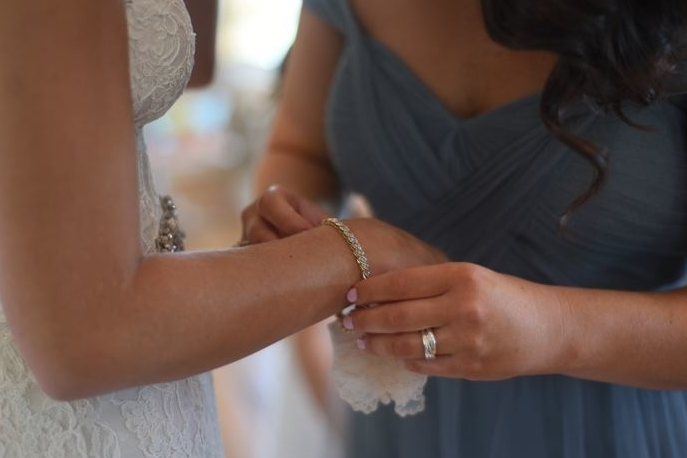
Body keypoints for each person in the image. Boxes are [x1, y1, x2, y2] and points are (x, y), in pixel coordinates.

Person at [241, 0, 687, 456]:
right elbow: (300, 149)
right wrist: (291, 215)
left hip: (610, 426)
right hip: (403, 423)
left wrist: (553, 328)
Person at [0, 0, 444, 457]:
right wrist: (361, 247)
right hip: (74, 384)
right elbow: (87, 336)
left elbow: (194, 59)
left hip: (150, 370)